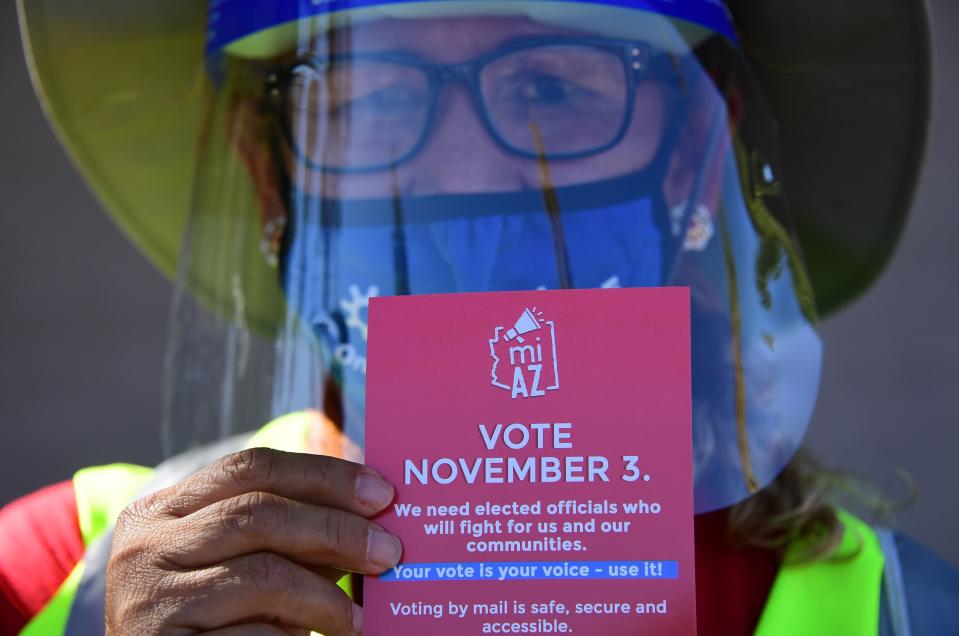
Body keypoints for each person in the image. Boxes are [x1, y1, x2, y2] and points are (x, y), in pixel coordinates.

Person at [3, 0, 957, 634]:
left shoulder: (906, 614)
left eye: (551, 90)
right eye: (368, 102)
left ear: (692, 160)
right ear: (270, 181)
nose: (465, 182)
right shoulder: (48, 577)